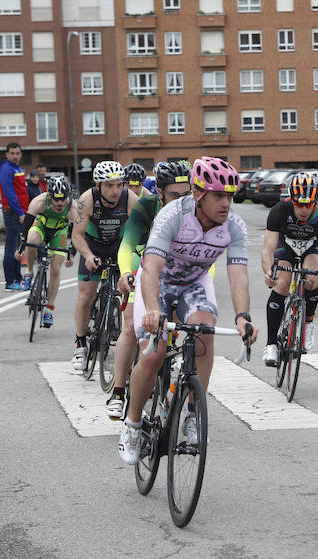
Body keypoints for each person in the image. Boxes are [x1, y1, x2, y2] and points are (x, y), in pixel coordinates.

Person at [118, 156, 258, 465]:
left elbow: (238, 274)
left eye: (230, 195)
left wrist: (242, 316)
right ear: (198, 194)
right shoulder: (172, 217)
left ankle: (193, 415)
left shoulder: (233, 226)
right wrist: (153, 310)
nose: (226, 203)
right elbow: (152, 269)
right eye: (219, 195)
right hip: (159, 282)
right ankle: (133, 423)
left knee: (205, 336)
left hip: (195, 283)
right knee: (154, 353)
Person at [105, 161, 192, 420]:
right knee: (131, 325)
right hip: (142, 264)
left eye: (186, 194)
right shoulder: (146, 206)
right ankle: (119, 391)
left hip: (177, 272)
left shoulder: (194, 211)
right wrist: (125, 273)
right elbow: (127, 244)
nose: (181, 200)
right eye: (175, 195)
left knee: (184, 330)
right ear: (161, 192)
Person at [261, 173, 318, 366]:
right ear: (291, 200)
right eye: (300, 204)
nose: (304, 209)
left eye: (309, 204)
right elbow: (268, 249)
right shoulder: (280, 210)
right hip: (286, 245)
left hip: (312, 245)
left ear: (316, 201)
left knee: (311, 278)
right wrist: (268, 271)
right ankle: (271, 345)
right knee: (281, 283)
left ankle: (308, 323)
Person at [70, 161, 138, 370]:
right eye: (109, 185)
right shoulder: (86, 200)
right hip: (93, 246)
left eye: (119, 184)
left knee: (130, 290)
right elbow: (77, 235)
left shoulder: (131, 199)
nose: (115, 190)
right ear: (98, 186)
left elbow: (143, 234)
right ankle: (81, 344)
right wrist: (88, 256)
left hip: (120, 247)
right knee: (86, 296)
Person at [14, 175, 78, 327]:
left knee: (55, 269)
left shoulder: (73, 207)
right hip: (41, 226)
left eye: (63, 199)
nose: (60, 203)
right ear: (49, 195)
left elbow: (78, 233)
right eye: (56, 199)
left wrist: (72, 253)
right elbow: (25, 227)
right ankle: (29, 273)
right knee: (31, 239)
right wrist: (20, 247)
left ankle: (49, 309)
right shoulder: (39, 201)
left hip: (59, 232)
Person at [0, 143, 30, 291]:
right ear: (7, 154)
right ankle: (10, 281)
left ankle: (17, 278)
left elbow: (22, 192)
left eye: (18, 153)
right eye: (12, 153)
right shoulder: (6, 168)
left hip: (19, 212)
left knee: (18, 247)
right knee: (11, 248)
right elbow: (9, 193)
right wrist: (20, 212)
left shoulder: (16, 168)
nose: (15, 156)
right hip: (13, 213)